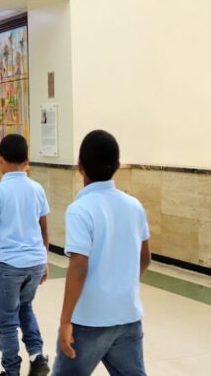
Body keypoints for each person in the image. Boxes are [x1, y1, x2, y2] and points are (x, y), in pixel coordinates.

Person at [53, 130, 151, 376]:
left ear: (80, 166)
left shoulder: (80, 209)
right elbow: (145, 258)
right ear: (117, 165)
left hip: (89, 320)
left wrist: (65, 320)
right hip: (128, 315)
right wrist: (121, 285)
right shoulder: (134, 206)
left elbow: (79, 266)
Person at [0, 134, 51, 376]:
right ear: (27, 161)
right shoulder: (37, 189)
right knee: (25, 307)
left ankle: (11, 371)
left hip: (9, 267)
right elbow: (44, 228)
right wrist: (44, 260)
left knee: (6, 321)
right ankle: (37, 356)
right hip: (35, 263)